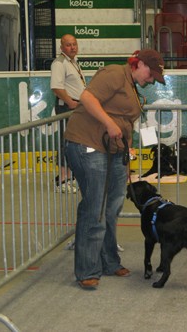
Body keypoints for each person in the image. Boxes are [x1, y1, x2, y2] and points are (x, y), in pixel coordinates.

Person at [64, 49, 165, 289]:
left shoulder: (131, 86)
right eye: (151, 74)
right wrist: (109, 123)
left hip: (113, 152)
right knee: (96, 209)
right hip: (88, 144)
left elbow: (126, 123)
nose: (151, 80)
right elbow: (87, 98)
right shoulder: (113, 74)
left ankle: (109, 261)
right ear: (138, 64)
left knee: (111, 209)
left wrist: (127, 155)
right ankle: (87, 270)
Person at [50, 34, 86, 193]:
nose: (72, 47)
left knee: (73, 142)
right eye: (68, 45)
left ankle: (70, 176)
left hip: (75, 107)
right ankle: (63, 179)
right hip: (67, 106)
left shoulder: (73, 62)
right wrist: (71, 102)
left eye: (74, 44)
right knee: (66, 142)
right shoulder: (59, 63)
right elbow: (56, 87)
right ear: (61, 47)